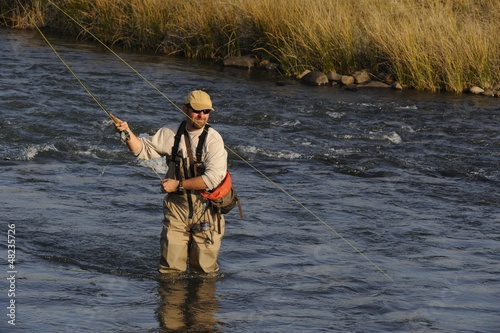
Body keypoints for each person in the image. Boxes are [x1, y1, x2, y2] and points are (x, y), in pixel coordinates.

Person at [115, 90, 228, 274]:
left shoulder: (214, 139)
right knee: (170, 272)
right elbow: (143, 150)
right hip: (177, 210)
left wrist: (178, 185)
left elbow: (213, 179)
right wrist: (126, 133)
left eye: (206, 111)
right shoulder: (170, 133)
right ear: (185, 110)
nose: (202, 116)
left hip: (207, 210)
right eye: (197, 110)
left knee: (204, 273)